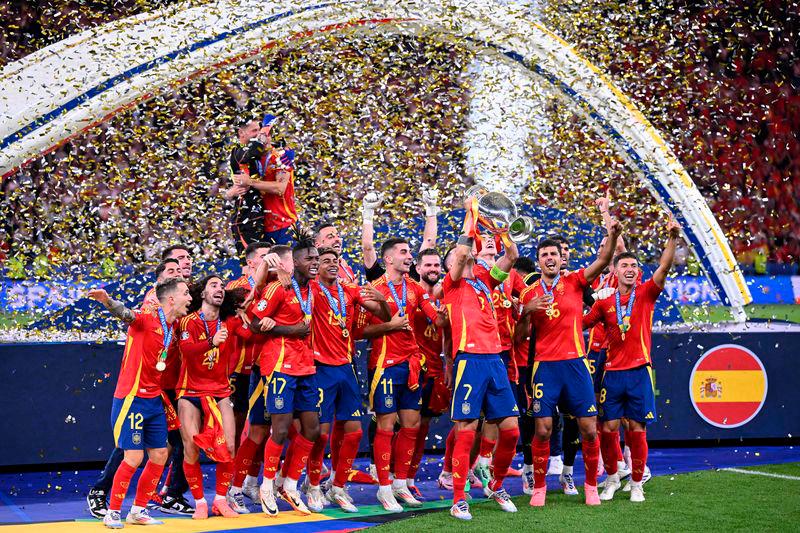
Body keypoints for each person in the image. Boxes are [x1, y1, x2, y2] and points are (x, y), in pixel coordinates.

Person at [520, 215, 621, 508]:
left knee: (589, 428)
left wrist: (611, 235)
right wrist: (527, 311)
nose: (550, 258)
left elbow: (602, 261)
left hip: (576, 365)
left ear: (561, 259)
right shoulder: (530, 292)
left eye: (554, 254)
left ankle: (589, 485)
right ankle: (539, 487)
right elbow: (520, 336)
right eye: (544, 255)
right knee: (543, 429)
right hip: (545, 367)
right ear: (538, 261)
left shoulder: (575, 281)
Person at [86, 258, 191, 520]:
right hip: (131, 398)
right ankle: (113, 512)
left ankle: (138, 510)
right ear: (170, 300)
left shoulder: (175, 325)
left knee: (159, 454)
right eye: (185, 293)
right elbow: (126, 314)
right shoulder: (146, 318)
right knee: (132, 457)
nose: (190, 297)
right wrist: (107, 301)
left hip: (154, 399)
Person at [584, 218, 680, 503]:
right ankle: (613, 478)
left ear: (638, 273)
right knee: (608, 428)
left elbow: (664, 267)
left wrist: (673, 238)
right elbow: (581, 323)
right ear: (614, 270)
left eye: (633, 266)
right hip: (611, 374)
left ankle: (637, 483)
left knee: (636, 429)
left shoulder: (647, 293)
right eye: (624, 265)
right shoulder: (604, 302)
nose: (629, 269)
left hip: (639, 371)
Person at [442, 198, 520, 521]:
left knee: (512, 430)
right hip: (469, 360)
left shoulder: (486, 280)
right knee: (467, 429)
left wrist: (502, 229)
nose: (472, 250)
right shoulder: (452, 283)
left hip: (495, 360)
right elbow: (460, 253)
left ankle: (496, 485)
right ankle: (459, 498)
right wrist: (470, 215)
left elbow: (512, 255)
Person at [303, 247, 390, 512]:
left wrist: (382, 300)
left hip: (346, 367)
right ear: (316, 267)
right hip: (320, 369)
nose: (331, 264)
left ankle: (338, 487)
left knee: (355, 431)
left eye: (335, 261)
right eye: (325, 261)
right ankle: (314, 486)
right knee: (321, 433)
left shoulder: (349, 290)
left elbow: (385, 316)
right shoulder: (312, 291)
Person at [359, 237, 439, 512]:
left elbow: (436, 319)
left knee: (412, 425)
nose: (409, 256)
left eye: (409, 252)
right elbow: (361, 332)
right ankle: (383, 487)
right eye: (404, 252)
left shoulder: (416, 288)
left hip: (412, 364)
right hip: (384, 364)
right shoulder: (372, 290)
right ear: (388, 259)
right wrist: (390, 327)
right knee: (385, 424)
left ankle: (400, 483)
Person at [249, 239, 320, 516]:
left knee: (312, 428)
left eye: (316, 258)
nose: (314, 263)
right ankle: (266, 484)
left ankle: (289, 484)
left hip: (305, 365)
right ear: (296, 263)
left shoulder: (310, 288)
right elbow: (256, 322)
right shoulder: (278, 288)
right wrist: (290, 330)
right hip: (279, 365)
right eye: (309, 259)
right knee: (279, 429)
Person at [176, 275, 246, 519]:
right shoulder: (188, 322)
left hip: (220, 392)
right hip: (190, 392)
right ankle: (199, 502)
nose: (220, 289)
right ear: (203, 294)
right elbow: (187, 351)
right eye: (213, 286)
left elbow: (253, 291)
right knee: (191, 449)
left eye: (222, 287)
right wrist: (211, 342)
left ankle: (219, 500)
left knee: (229, 447)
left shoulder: (230, 322)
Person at [407, 248, 448, 499]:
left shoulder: (447, 295)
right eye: (428, 265)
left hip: (435, 370)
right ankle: (390, 477)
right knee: (404, 425)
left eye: (436, 265)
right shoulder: (410, 292)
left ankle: (409, 479)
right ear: (419, 268)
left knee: (422, 428)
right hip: (411, 368)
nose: (433, 269)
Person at [229, 114, 297, 245]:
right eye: (256, 132)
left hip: (284, 224)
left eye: (265, 134)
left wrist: (250, 182)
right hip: (262, 226)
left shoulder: (282, 157)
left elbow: (280, 188)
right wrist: (231, 192)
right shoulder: (252, 160)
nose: (263, 138)